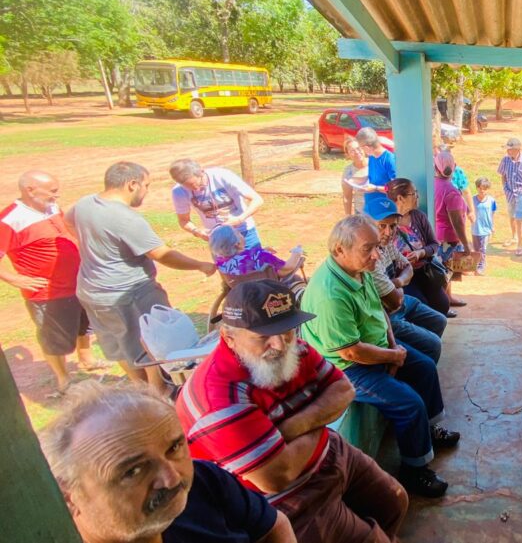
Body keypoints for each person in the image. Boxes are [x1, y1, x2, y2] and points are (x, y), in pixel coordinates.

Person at [175, 279, 408, 542]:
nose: (280, 344)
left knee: (395, 500)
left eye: (287, 330)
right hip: (285, 500)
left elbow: (343, 390)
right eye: (263, 336)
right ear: (229, 338)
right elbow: (277, 476)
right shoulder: (217, 397)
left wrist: (290, 429)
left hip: (330, 453)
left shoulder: (288, 347)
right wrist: (320, 417)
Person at [300, 215, 461, 498]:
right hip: (347, 368)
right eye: (368, 248)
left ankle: (431, 430)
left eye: (376, 247)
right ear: (339, 250)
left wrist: (392, 348)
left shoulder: (358, 269)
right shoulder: (330, 294)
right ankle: (414, 472)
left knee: (423, 366)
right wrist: (391, 356)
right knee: (409, 404)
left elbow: (381, 311)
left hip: (376, 348)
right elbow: (350, 351)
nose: (376, 255)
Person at [40, 381, 297, 543]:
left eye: (174, 447)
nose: (172, 478)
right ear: (68, 494)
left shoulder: (203, 481)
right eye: (134, 470)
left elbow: (273, 526)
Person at [69, 162, 216, 391]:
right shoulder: (125, 218)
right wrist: (200, 265)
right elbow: (161, 254)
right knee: (152, 344)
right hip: (128, 293)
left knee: (117, 344)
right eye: (146, 186)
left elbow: (68, 221)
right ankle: (159, 393)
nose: (146, 191)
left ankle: (139, 387)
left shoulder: (85, 204)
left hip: (92, 291)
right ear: (132, 184)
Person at [0, 171, 104, 395]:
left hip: (78, 280)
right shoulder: (10, 219)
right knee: (55, 335)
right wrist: (14, 278)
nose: (57, 195)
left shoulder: (50, 207)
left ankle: (86, 358)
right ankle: (63, 377)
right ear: (30, 190)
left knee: (82, 322)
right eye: (52, 191)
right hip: (48, 291)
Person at [364, 196, 448, 364]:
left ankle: (417, 355)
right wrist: (400, 283)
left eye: (393, 226)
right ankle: (418, 363)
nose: (388, 232)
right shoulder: (368, 255)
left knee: (439, 319)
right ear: (367, 225)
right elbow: (394, 301)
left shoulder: (386, 244)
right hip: (386, 314)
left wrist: (398, 283)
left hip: (398, 301)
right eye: (382, 226)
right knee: (433, 345)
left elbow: (407, 265)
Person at [386, 178, 451, 317]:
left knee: (443, 305)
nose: (417, 196)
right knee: (422, 309)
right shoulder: (387, 222)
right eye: (414, 193)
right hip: (403, 276)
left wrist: (421, 253)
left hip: (424, 271)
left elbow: (434, 244)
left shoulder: (418, 217)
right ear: (400, 198)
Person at [169, 159, 264, 249]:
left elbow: (257, 200)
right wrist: (197, 232)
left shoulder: (222, 175)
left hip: (244, 231)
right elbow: (183, 220)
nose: (196, 189)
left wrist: (239, 219)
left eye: (196, 183)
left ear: (201, 172)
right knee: (227, 266)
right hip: (217, 238)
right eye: (188, 186)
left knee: (256, 264)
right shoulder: (178, 191)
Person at [433, 148, 472, 307]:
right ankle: (443, 305)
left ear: (435, 167)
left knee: (446, 270)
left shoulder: (433, 185)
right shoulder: (451, 192)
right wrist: (466, 244)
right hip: (449, 238)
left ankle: (448, 298)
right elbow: (457, 222)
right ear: (454, 167)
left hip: (437, 234)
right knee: (445, 273)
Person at [209, 225, 303, 279]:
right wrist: (296, 252)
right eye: (238, 233)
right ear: (237, 244)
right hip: (267, 293)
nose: (241, 235)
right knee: (293, 277)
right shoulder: (259, 256)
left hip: (242, 294)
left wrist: (262, 251)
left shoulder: (220, 263)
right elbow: (288, 268)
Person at [497, 137, 522, 255]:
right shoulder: (505, 160)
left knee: (519, 219)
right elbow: (502, 175)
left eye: (510, 149)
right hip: (509, 193)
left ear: (517, 149)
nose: (508, 152)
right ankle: (514, 237)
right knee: (511, 216)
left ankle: (520, 244)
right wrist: (505, 188)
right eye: (507, 149)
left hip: (520, 194)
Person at [356, 126, 396, 206]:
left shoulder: (389, 159)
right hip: (372, 205)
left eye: (361, 148)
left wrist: (375, 188)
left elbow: (395, 189)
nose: (361, 151)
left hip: (385, 208)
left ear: (367, 147)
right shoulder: (372, 156)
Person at [472, 177, 497, 275]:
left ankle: (481, 266)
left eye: (484, 189)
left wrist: (492, 226)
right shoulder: (472, 200)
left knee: (483, 248)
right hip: (475, 229)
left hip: (486, 230)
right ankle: (476, 265)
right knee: (476, 249)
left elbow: (492, 213)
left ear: (487, 189)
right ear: (477, 188)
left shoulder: (491, 201)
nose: (482, 190)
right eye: (480, 188)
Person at [341, 136, 369, 216]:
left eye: (358, 148)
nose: (357, 152)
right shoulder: (348, 172)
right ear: (347, 154)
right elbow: (347, 197)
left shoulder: (376, 164)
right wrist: (348, 217)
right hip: (361, 214)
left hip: (381, 213)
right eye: (352, 151)